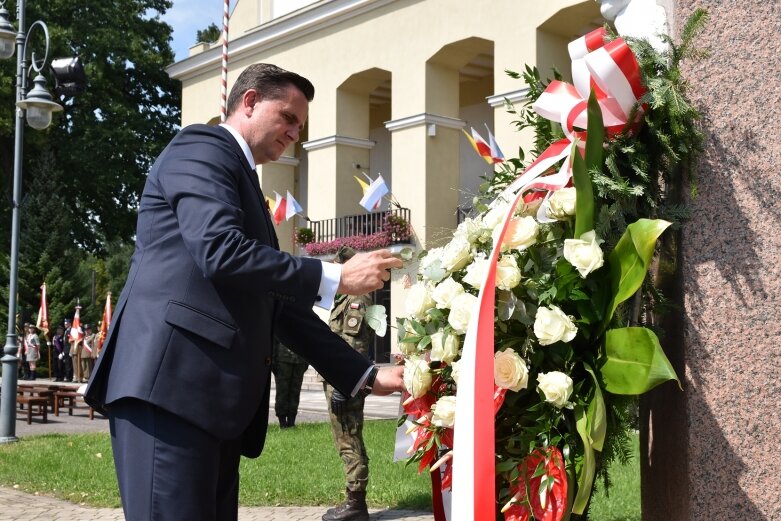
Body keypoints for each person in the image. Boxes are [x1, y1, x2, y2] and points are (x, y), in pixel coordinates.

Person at [84, 63, 404, 521]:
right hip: (169, 391)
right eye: (288, 118)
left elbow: (277, 307)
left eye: (300, 125)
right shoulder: (201, 147)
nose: (294, 133)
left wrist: (367, 376)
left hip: (210, 404)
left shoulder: (243, 180)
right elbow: (219, 249)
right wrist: (333, 276)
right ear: (250, 101)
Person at [322, 246, 374, 521]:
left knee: (349, 439)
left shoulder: (357, 298)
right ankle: (352, 500)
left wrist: (343, 385)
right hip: (338, 377)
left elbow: (354, 345)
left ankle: (356, 504)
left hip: (346, 381)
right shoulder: (343, 296)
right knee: (344, 439)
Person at [271, 338, 309, 428]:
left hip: (300, 360)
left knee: (295, 392)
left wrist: (307, 360)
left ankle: (292, 421)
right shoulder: (281, 323)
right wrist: (273, 359)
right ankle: (282, 422)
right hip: (283, 360)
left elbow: (308, 340)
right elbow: (274, 340)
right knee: (282, 391)